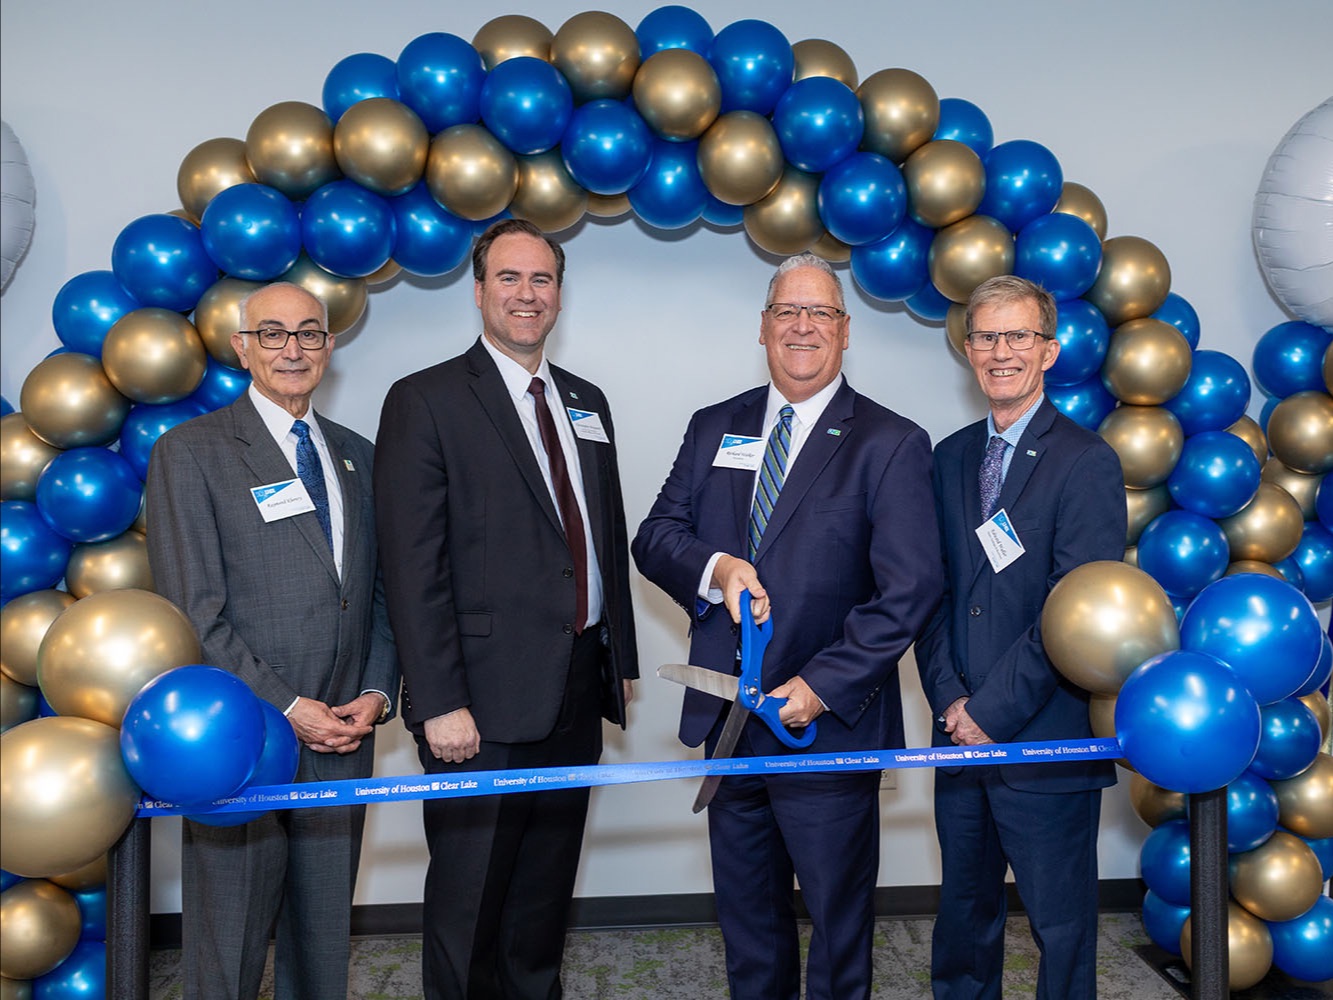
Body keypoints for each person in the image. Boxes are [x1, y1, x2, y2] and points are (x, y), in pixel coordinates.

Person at [632, 253, 943, 1000]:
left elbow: (910, 588)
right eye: (786, 312)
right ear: (763, 327)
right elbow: (654, 536)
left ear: (842, 332)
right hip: (727, 721)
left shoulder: (889, 441)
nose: (801, 326)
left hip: (824, 728)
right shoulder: (717, 426)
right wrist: (718, 568)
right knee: (747, 919)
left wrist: (820, 685)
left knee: (837, 929)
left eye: (819, 314)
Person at [373, 218, 639, 1000]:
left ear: (558, 294)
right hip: (478, 705)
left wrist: (615, 662)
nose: (527, 295)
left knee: (540, 901)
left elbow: (602, 535)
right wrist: (439, 701)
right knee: (469, 903)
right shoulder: (423, 400)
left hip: (572, 692)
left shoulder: (586, 402)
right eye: (510, 279)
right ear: (480, 290)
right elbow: (411, 568)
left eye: (542, 280)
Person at [145, 281, 398, 1000]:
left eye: (310, 333)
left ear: (330, 344)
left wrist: (375, 696)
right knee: (227, 945)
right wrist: (288, 704)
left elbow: (380, 598)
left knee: (321, 945)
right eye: (274, 333)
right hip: (243, 738)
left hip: (344, 739)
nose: (294, 349)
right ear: (242, 348)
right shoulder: (190, 453)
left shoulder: (359, 456)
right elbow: (192, 612)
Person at [915, 274, 1127, 1000]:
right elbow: (930, 595)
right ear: (967, 349)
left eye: (1017, 336)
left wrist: (989, 714)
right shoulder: (944, 458)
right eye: (984, 336)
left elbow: (1076, 617)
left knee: (1060, 933)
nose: (999, 351)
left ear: (1048, 350)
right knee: (961, 922)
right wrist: (951, 703)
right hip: (958, 738)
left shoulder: (1084, 461)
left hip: (1042, 742)